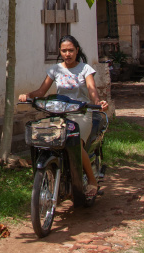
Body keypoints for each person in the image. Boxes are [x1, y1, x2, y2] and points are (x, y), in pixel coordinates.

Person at [18, 34, 109, 197]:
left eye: (71, 50)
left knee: (76, 142)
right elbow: (41, 91)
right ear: (60, 52)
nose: (68, 54)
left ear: (77, 51)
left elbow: (91, 89)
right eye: (64, 51)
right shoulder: (55, 70)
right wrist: (28, 96)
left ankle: (92, 182)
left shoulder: (85, 69)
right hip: (59, 113)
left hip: (81, 113)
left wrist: (98, 102)